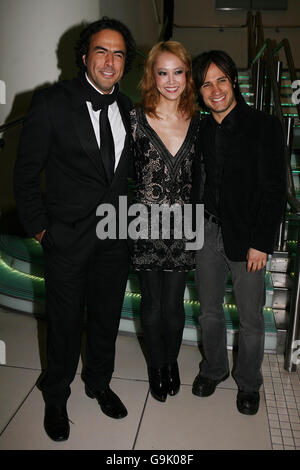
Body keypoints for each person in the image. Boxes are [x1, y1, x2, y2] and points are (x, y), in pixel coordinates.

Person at [13, 17, 136, 441]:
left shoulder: (130, 110)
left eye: (118, 54)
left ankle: (99, 383)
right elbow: (26, 175)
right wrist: (42, 231)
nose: (110, 61)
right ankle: (56, 395)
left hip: (115, 239)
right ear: (84, 56)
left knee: (105, 319)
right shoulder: (51, 102)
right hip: (65, 238)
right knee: (64, 324)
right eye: (102, 51)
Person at [191, 50, 286, 415]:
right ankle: (213, 369)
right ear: (199, 90)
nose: (215, 89)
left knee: (249, 317)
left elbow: (275, 190)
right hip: (206, 233)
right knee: (209, 311)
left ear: (234, 82)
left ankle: (248, 382)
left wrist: (261, 243)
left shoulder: (264, 126)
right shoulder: (199, 128)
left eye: (221, 80)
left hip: (248, 238)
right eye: (206, 83)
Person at [130, 41, 200, 402]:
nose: (170, 80)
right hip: (143, 223)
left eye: (178, 72)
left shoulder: (200, 120)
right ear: (151, 75)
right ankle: (156, 366)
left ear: (187, 76)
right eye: (162, 72)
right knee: (153, 304)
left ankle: (170, 362)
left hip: (185, 226)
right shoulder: (134, 118)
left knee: (174, 308)